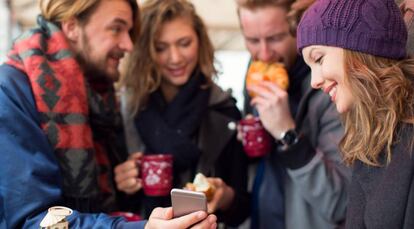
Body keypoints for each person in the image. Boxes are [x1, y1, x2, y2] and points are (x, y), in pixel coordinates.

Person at [0, 0, 217, 228]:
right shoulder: (12, 91)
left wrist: (123, 182)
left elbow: (101, 202)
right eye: (116, 28)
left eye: (128, 31)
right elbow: (32, 220)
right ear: (72, 26)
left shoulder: (99, 97)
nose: (129, 45)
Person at [115, 0, 250, 226]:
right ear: (143, 51)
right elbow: (105, 207)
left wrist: (226, 197)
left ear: (200, 42)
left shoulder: (224, 110)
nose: (175, 58)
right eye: (160, 48)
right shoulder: (123, 110)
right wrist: (121, 182)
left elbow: (243, 209)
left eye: (184, 43)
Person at [297, 0, 414, 228]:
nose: (314, 81)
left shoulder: (406, 138)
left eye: (319, 59)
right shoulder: (370, 135)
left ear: (358, 48)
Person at [235, 0, 351, 228]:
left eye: (275, 38)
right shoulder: (255, 73)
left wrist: (287, 134)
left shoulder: (331, 87)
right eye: (252, 41)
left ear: (299, 26)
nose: (264, 54)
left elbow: (341, 203)